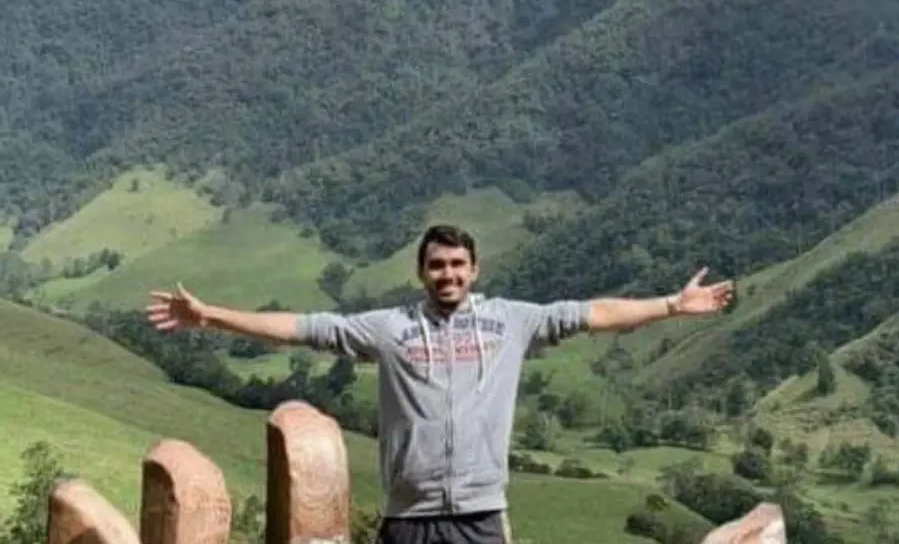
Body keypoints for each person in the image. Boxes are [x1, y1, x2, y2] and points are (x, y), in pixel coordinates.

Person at [146, 223, 734, 544]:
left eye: (457, 265)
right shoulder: (391, 328)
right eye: (436, 265)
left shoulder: (511, 321)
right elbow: (306, 329)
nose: (447, 274)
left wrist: (671, 306)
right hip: (408, 520)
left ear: (474, 270)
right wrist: (212, 316)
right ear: (422, 272)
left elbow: (594, 314)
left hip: (480, 516)